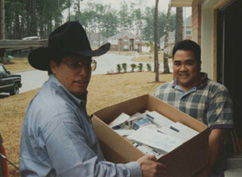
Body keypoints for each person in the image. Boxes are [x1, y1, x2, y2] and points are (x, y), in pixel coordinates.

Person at [20, 21, 167, 177]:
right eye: (75, 64)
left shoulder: (60, 96)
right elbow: (84, 174)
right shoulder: (59, 115)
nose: (84, 72)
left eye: (88, 64)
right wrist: (137, 170)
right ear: (54, 66)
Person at [153, 40, 233, 177]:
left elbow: (216, 136)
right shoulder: (161, 92)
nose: (183, 69)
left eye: (189, 63)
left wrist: (204, 170)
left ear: (199, 64)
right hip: (169, 167)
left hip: (205, 167)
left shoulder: (216, 92)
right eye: (177, 63)